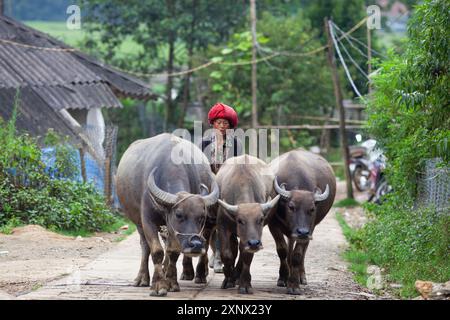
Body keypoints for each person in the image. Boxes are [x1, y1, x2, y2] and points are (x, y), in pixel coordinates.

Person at [200, 102, 242, 273]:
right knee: (208, 223)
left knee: (223, 222)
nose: (222, 126)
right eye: (219, 123)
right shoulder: (204, 142)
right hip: (209, 185)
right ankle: (212, 252)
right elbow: (200, 166)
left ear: (230, 126)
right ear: (213, 124)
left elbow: (238, 166)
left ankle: (219, 254)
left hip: (227, 186)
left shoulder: (235, 144)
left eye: (226, 123)